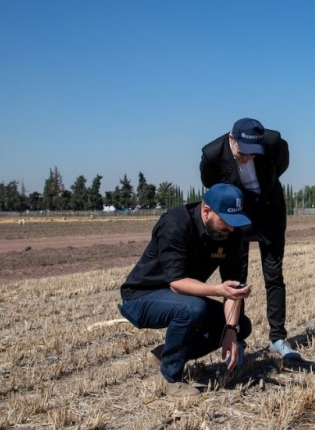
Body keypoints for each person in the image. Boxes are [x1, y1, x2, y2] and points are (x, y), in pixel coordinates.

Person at [118, 183, 254, 397]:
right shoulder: (176, 224)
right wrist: (218, 290)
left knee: (241, 326)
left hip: (182, 297)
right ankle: (170, 378)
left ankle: (165, 354)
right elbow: (176, 282)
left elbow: (232, 287)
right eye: (226, 221)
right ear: (207, 211)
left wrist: (230, 330)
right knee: (193, 308)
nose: (231, 228)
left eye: (235, 222)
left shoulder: (231, 234)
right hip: (142, 297)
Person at [200, 118, 300, 360]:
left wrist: (261, 192)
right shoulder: (212, 154)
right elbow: (211, 184)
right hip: (237, 213)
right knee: (236, 278)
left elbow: (281, 165)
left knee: (274, 275)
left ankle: (278, 338)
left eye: (252, 154)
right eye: (242, 153)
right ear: (231, 139)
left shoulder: (274, 142)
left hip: (270, 210)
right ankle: (237, 339)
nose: (246, 158)